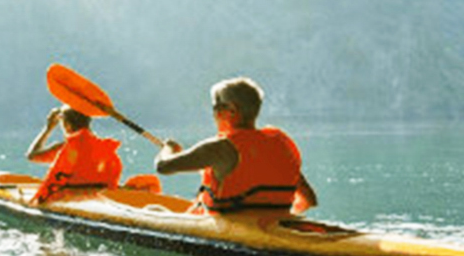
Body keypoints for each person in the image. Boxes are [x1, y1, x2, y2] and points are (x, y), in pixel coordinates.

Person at [154, 76, 318, 213]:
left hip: (230, 231)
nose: (214, 114)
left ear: (231, 110)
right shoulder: (281, 145)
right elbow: (308, 200)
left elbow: (163, 166)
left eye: (215, 107)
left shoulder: (219, 148)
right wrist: (272, 223)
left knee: (152, 209)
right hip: (270, 229)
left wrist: (168, 148)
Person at [26, 106, 123, 204]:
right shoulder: (104, 147)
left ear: (68, 126)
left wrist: (48, 129)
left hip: (67, 199)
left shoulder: (66, 148)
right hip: (99, 198)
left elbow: (32, 156)